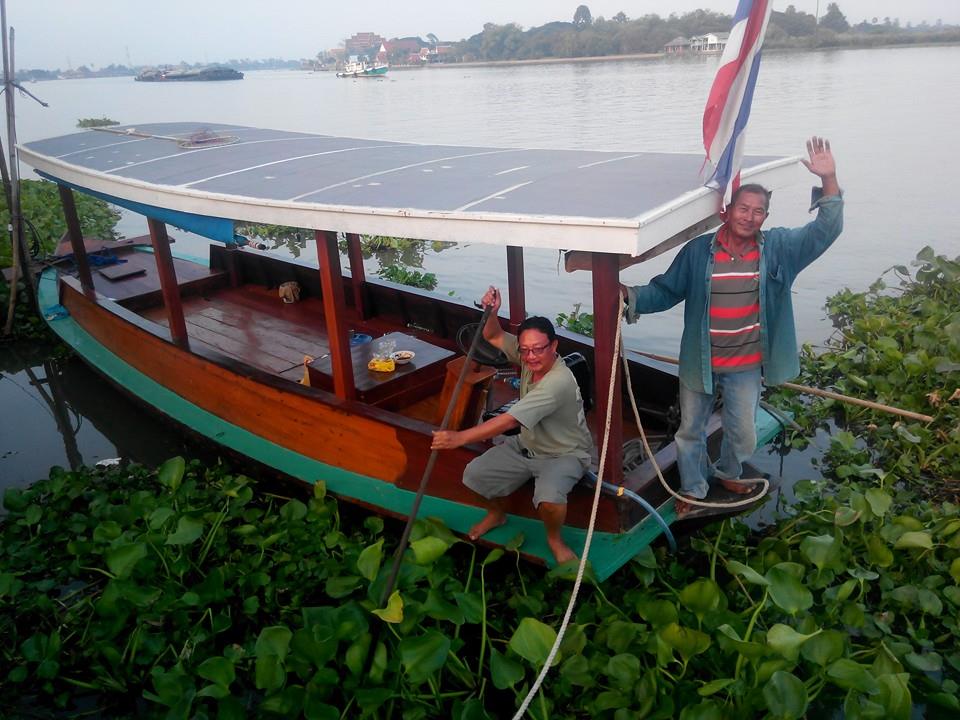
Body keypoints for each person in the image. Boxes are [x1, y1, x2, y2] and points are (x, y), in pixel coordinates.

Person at [622, 136, 842, 517]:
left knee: (743, 433)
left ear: (765, 218)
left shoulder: (780, 249)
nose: (750, 216)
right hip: (700, 361)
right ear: (728, 211)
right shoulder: (698, 252)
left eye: (759, 211)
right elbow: (666, 290)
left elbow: (827, 229)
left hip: (746, 365)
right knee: (690, 432)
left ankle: (727, 472)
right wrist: (630, 297)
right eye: (743, 208)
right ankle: (692, 489)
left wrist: (829, 178)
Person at [431, 287, 594, 564]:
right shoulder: (530, 359)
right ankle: (496, 514)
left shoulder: (558, 381)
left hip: (563, 454)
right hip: (526, 445)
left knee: (549, 499)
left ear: (554, 347)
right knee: (474, 475)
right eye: (525, 350)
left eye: (538, 349)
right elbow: (493, 335)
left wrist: (458, 438)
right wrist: (493, 313)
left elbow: (509, 420)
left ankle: (554, 540)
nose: (530, 357)